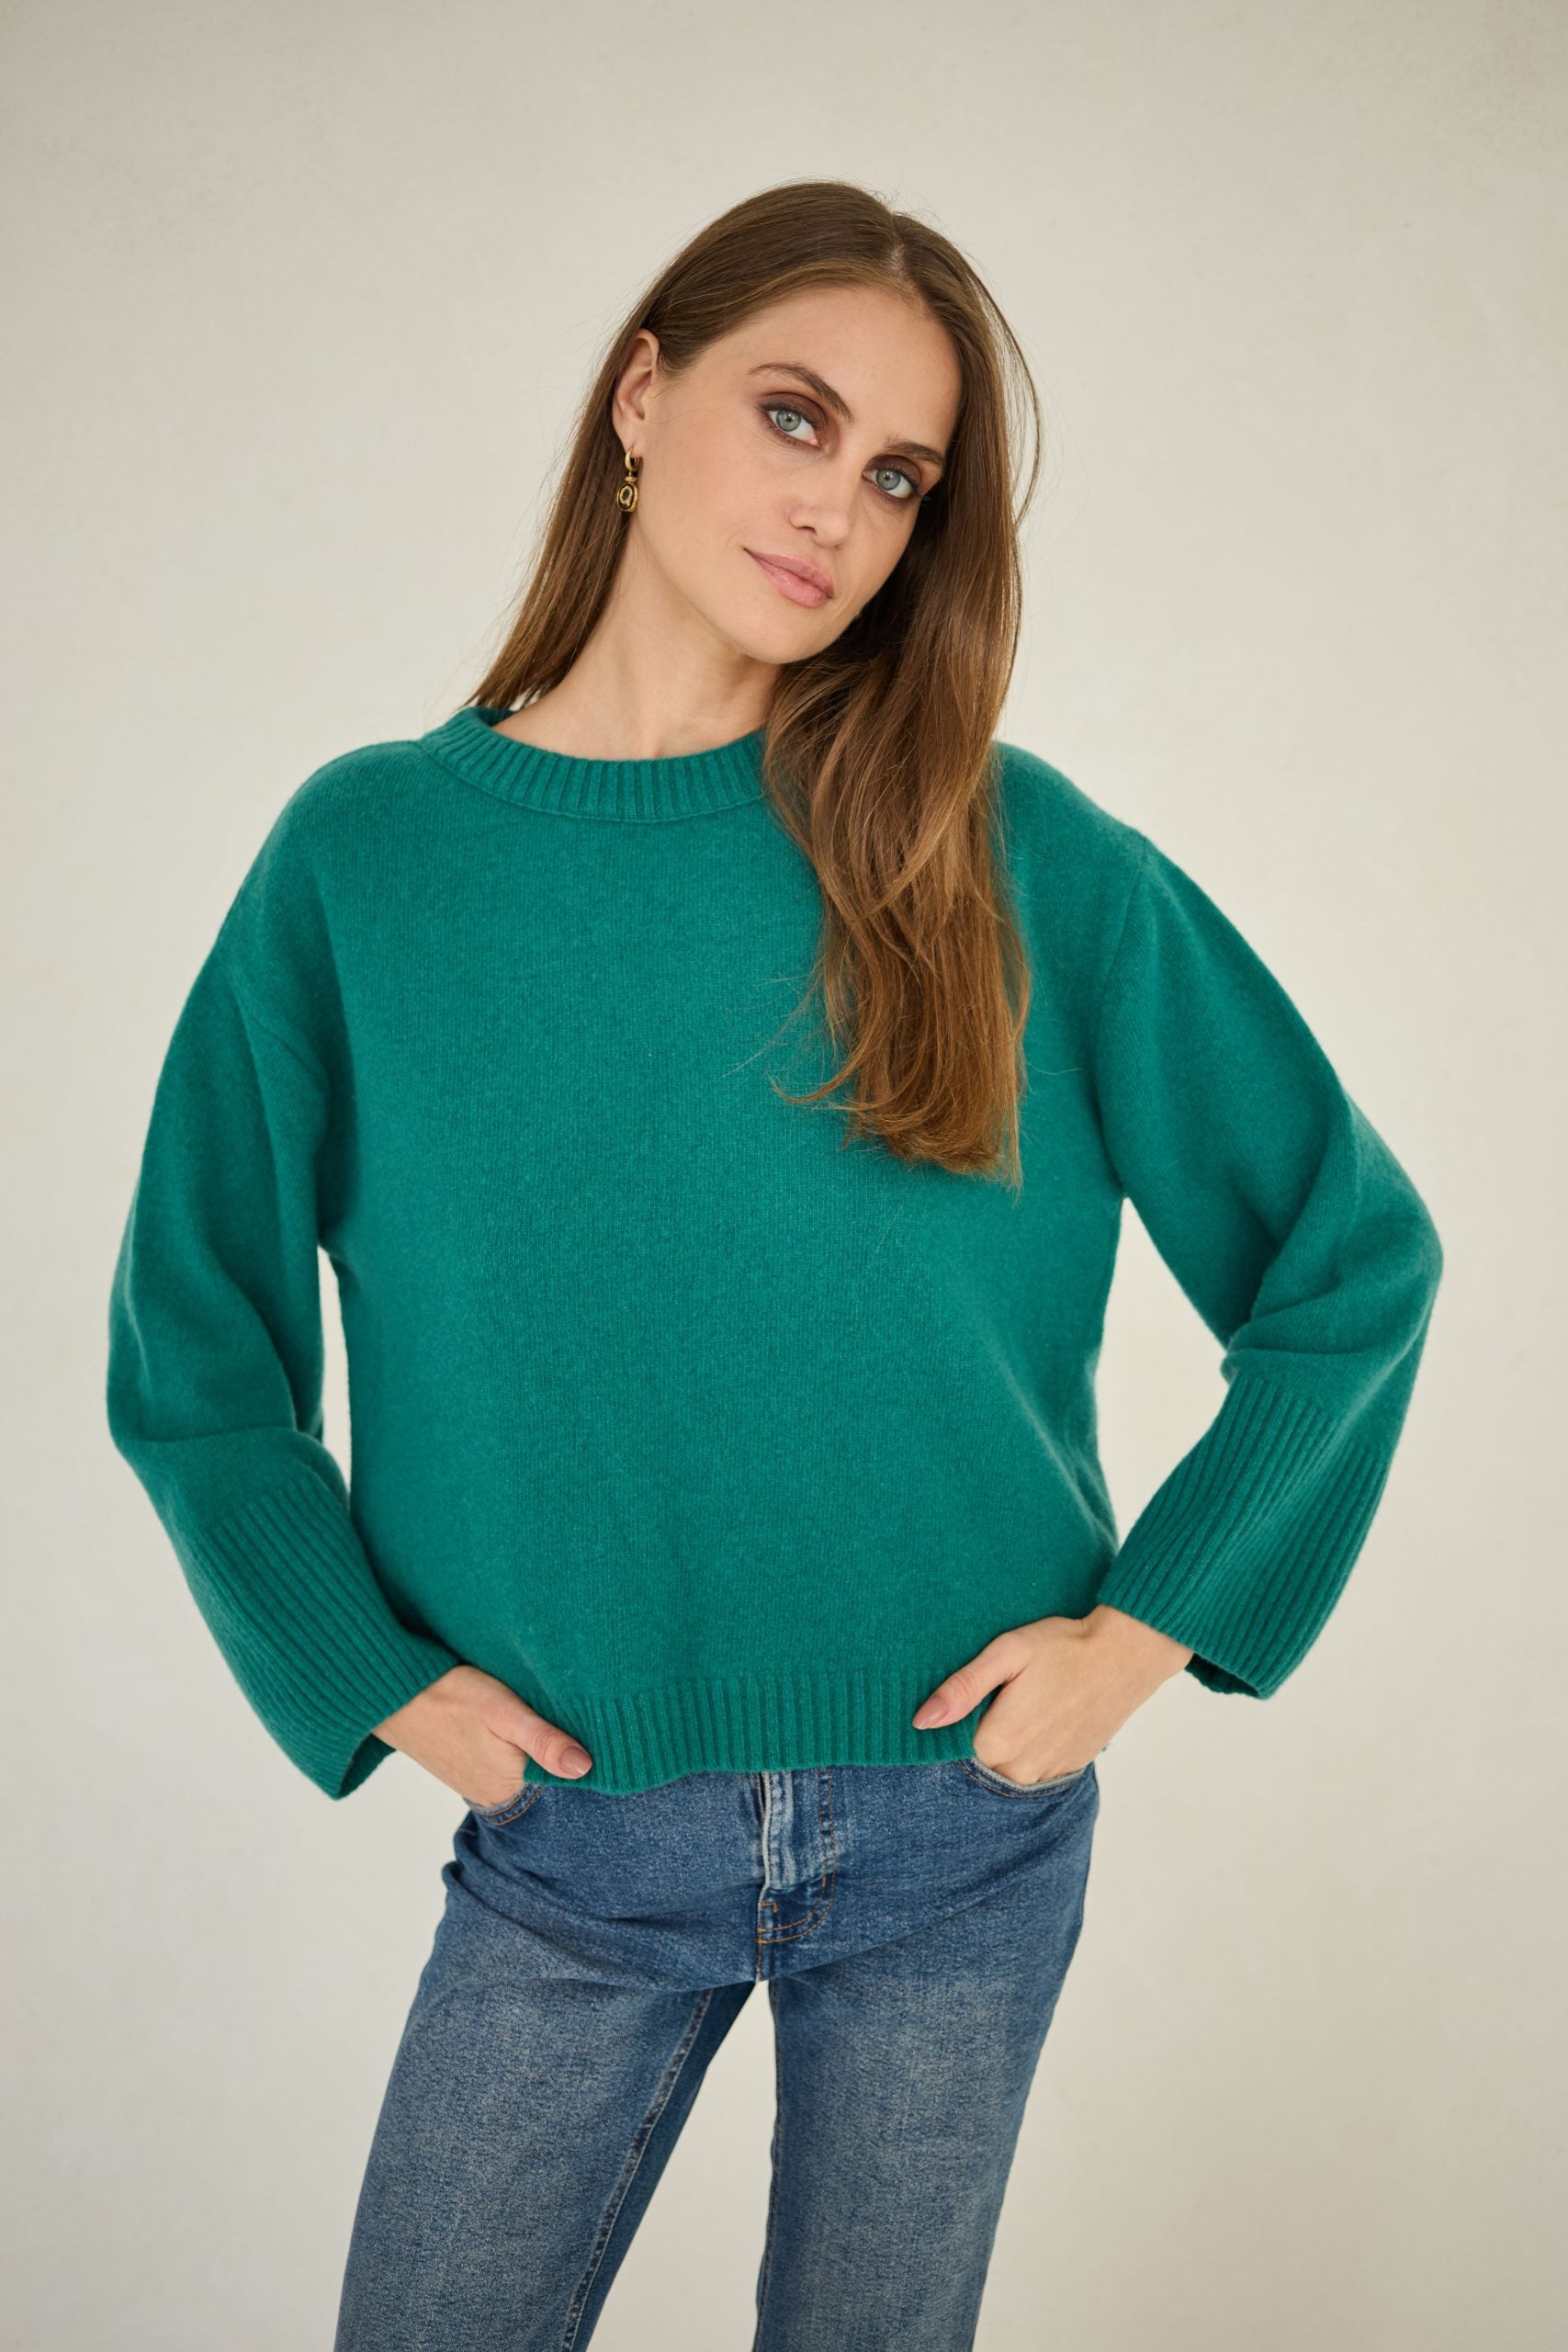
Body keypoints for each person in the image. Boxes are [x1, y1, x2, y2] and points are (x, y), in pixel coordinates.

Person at [105, 180, 1445, 2350]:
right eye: (795, 416)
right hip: (572, 1835)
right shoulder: (367, 861)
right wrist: (370, 1673)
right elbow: (194, 1349)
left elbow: (1351, 1256)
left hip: (961, 1824)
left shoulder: (1000, 844)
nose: (839, 506)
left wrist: (1143, 1631)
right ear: (641, 395)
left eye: (900, 475)